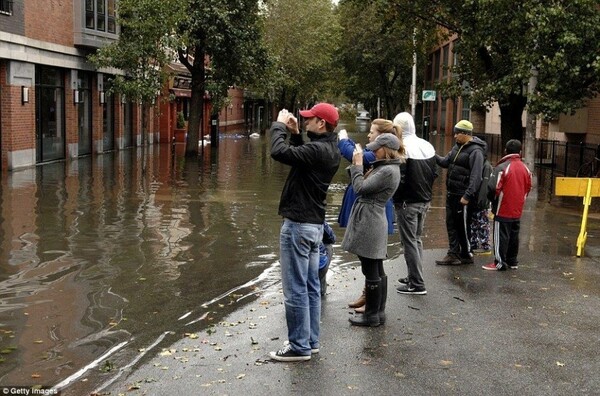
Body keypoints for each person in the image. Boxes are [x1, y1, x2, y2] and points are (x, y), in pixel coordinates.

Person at [269, 103, 341, 362]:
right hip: (313, 226)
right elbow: (302, 158)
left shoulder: (317, 150)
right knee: (311, 286)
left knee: (295, 288)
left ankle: (299, 346)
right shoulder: (329, 149)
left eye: (310, 119)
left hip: (299, 225)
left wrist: (278, 126)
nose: (306, 121)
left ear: (321, 123)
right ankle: (310, 341)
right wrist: (297, 134)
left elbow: (279, 152)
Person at [342, 131, 403, 327]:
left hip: (371, 219)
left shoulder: (387, 171)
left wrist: (357, 165)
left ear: (385, 150)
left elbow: (359, 188)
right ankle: (377, 313)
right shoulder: (388, 168)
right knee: (375, 267)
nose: (374, 152)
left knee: (371, 268)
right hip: (373, 218)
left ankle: (371, 315)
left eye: (376, 149)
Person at [392, 112, 437, 295]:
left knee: (409, 242)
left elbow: (399, 179)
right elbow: (434, 174)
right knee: (416, 240)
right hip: (424, 201)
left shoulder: (402, 148)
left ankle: (417, 283)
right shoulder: (427, 146)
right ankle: (414, 275)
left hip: (407, 203)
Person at [435, 120, 487, 266]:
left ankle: (466, 253)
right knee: (451, 223)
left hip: (462, 196)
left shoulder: (476, 151)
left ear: (466, 134)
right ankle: (453, 253)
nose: (455, 136)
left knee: (462, 226)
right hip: (452, 193)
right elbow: (445, 162)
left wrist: (467, 195)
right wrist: (432, 154)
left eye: (457, 133)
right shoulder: (458, 147)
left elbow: (476, 176)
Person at [482, 139, 532, 271]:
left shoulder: (502, 167)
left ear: (505, 150)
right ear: (520, 152)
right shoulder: (525, 168)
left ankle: (499, 262)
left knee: (501, 235)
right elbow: (528, 187)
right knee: (514, 235)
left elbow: (492, 188)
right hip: (517, 209)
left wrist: (493, 202)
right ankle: (512, 261)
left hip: (502, 208)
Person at [319, 221, 335, 296]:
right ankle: (321, 290)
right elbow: (332, 238)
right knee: (327, 246)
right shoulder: (316, 216)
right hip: (314, 269)